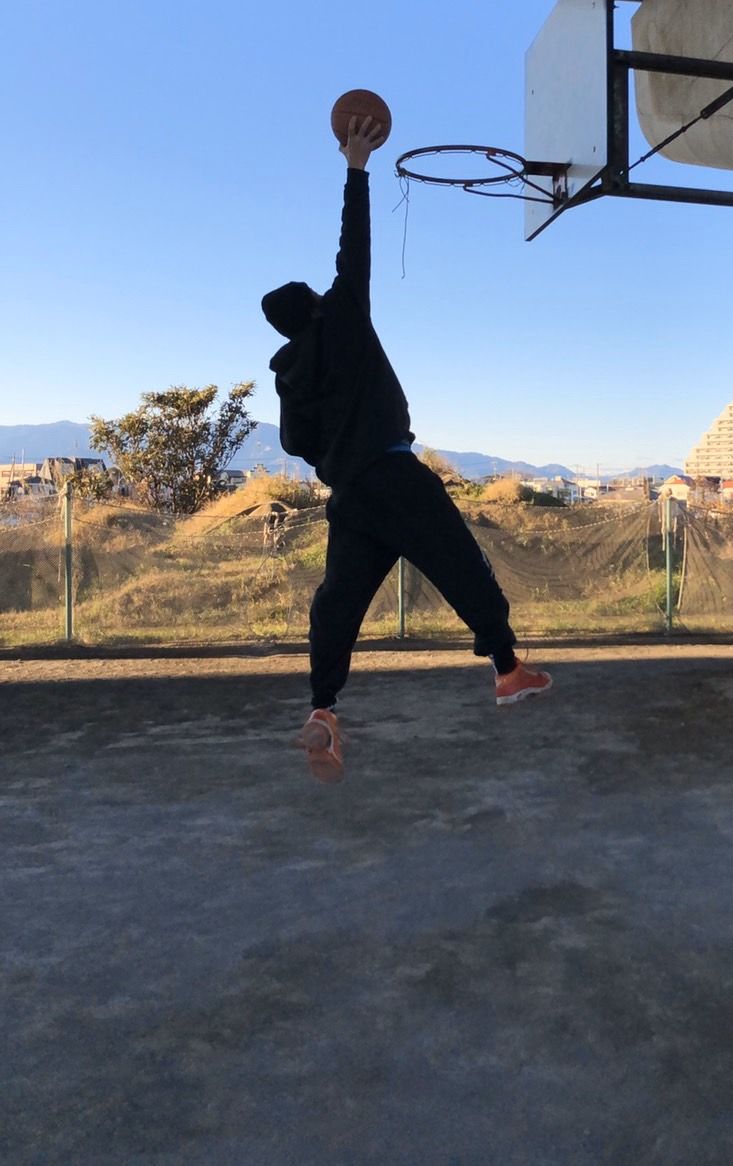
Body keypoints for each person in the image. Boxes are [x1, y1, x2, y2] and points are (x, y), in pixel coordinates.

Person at [261, 115, 551, 783]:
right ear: (316, 303)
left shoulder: (290, 376)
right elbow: (354, 248)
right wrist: (356, 168)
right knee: (465, 569)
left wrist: (335, 445)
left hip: (351, 497)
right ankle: (508, 670)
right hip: (395, 476)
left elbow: (296, 442)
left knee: (337, 604)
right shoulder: (343, 319)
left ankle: (324, 707)